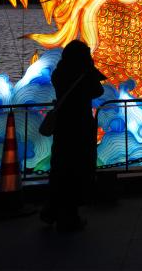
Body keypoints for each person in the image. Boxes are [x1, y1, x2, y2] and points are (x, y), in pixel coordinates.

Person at [40, 40, 106, 232]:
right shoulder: (83, 75)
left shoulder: (59, 73)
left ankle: (52, 209)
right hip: (80, 127)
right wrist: (90, 68)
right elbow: (98, 90)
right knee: (76, 169)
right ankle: (69, 216)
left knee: (60, 167)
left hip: (62, 127)